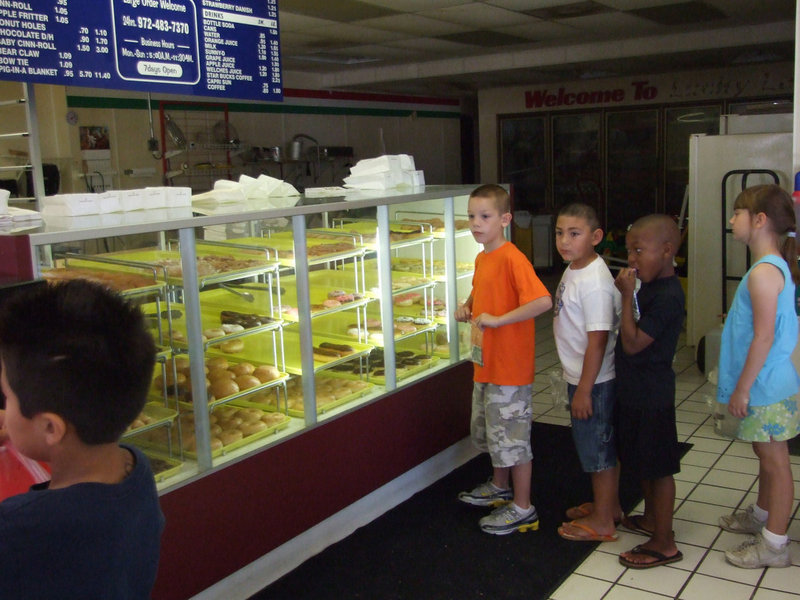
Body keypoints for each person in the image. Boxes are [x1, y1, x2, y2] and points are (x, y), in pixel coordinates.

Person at [0, 279, 165, 598]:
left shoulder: (17, 528)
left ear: (51, 428)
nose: (5, 411)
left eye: (7, 398)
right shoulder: (135, 469)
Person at [455, 184, 552, 535]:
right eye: (471, 216)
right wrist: (468, 305)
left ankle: (523, 507)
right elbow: (482, 289)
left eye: (485, 216)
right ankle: (500, 487)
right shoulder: (483, 257)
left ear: (505, 219)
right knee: (495, 434)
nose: (476, 223)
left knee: (513, 439)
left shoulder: (513, 257)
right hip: (487, 365)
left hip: (510, 370)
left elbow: (542, 301)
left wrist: (499, 319)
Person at [715, 184, 800, 568]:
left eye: (737, 213)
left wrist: (743, 389)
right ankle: (763, 516)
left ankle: (775, 544)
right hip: (766, 384)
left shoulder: (763, 272)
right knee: (765, 454)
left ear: (760, 220)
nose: (732, 219)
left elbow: (764, 337)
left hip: (764, 387)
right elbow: (760, 327)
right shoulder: (768, 268)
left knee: (775, 461)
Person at [614, 214, 684, 568]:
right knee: (640, 458)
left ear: (667, 251)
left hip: (653, 394)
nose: (632, 260)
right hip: (635, 392)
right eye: (630, 252)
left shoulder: (669, 295)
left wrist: (626, 297)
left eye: (639, 250)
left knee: (658, 468)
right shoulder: (651, 287)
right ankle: (653, 520)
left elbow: (632, 343)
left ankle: (664, 542)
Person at [552, 203, 622, 543]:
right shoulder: (576, 268)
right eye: (559, 233)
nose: (565, 241)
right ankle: (610, 506)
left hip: (593, 382)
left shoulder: (594, 281)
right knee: (597, 445)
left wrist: (583, 389)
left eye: (574, 234)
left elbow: (598, 341)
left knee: (597, 452)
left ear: (596, 237)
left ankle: (604, 521)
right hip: (584, 377)